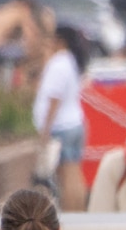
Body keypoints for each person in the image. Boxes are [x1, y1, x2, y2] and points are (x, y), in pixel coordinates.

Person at [34, 24, 89, 211]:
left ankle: (71, 213)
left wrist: (45, 131)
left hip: (62, 126)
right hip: (75, 123)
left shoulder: (58, 64)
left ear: (60, 41)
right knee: (74, 172)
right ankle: (79, 209)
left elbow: (53, 99)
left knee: (67, 176)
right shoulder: (70, 61)